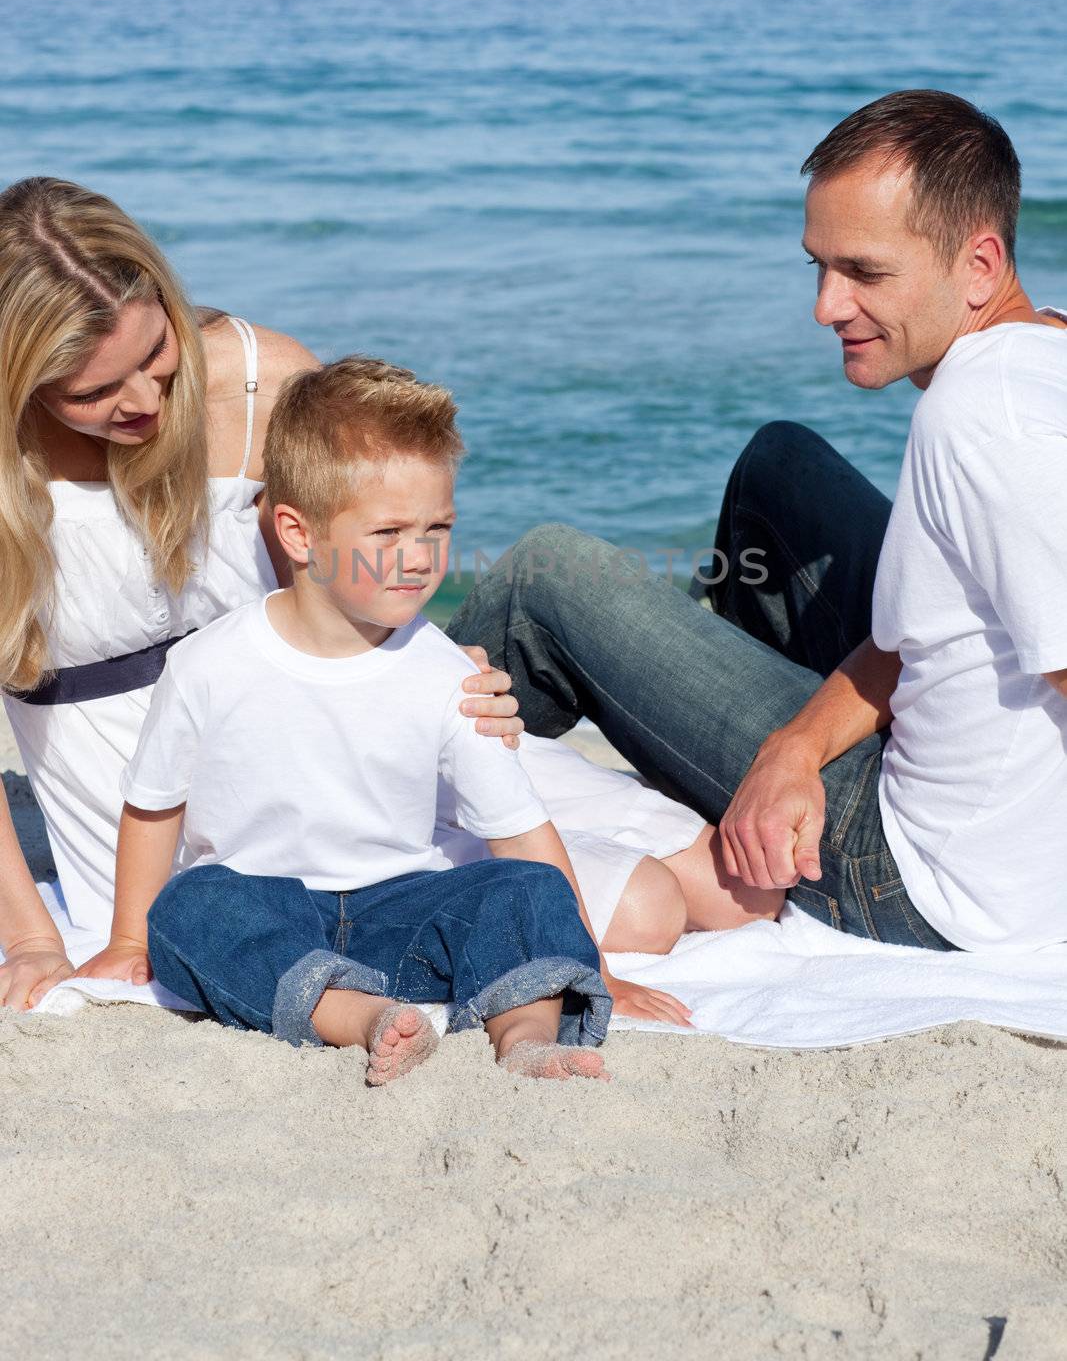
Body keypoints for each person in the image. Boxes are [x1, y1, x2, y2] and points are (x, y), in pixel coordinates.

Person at [448, 90, 1067, 953]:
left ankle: (366, 807)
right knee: (778, 467)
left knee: (543, 579)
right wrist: (792, 749)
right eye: (818, 265)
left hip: (916, 880)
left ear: (978, 264)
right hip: (970, 799)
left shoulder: (981, 417)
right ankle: (734, 797)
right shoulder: (1047, 346)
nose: (826, 305)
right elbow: (935, 627)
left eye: (864, 272)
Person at [0, 178, 523, 1011]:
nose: (141, 402)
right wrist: (31, 940)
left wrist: (425, 660)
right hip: (133, 821)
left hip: (335, 756)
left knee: (658, 898)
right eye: (92, 393)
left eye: (152, 356)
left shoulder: (259, 379)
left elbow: (349, 579)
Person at [75, 360, 620, 1083]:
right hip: (264, 903)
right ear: (299, 536)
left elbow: (520, 833)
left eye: (437, 528)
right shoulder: (210, 663)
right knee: (188, 909)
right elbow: (153, 805)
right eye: (388, 531)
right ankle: (359, 1018)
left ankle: (523, 1037)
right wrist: (123, 937)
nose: (419, 557)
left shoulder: (446, 673)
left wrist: (589, 960)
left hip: (406, 908)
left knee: (525, 889)